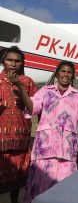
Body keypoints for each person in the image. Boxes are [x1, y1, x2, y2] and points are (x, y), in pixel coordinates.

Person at [13, 60, 78, 203]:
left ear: (73, 76)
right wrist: (21, 88)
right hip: (45, 149)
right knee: (39, 187)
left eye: (69, 72)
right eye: (63, 71)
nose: (66, 74)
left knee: (65, 189)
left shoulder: (77, 96)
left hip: (67, 150)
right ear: (57, 74)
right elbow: (32, 109)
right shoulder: (46, 91)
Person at [0, 46, 37, 203]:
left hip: (21, 136)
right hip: (1, 137)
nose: (13, 64)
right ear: (3, 61)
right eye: (10, 60)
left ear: (22, 63)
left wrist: (20, 86)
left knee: (18, 176)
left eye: (17, 61)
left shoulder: (27, 82)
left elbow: (34, 109)